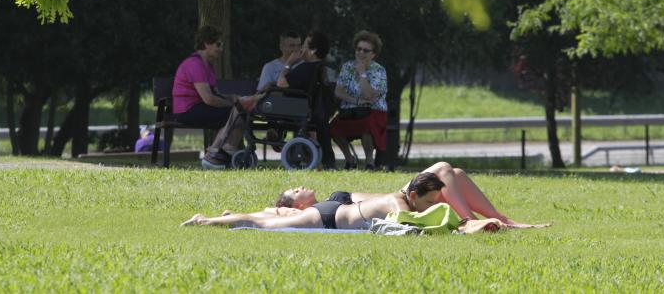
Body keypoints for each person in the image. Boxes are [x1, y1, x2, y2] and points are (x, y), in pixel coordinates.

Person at [265, 162, 548, 229]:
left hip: (402, 195)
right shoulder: (312, 214)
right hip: (403, 199)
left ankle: (500, 219)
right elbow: (269, 216)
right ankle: (468, 221)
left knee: (456, 173)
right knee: (444, 169)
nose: (299, 186)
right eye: (294, 191)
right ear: (293, 204)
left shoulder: (327, 201)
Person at [201, 30, 336, 169]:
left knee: (239, 105)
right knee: (242, 104)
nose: (300, 49)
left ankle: (218, 151)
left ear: (313, 50)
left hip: (287, 106)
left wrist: (289, 63)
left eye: (305, 45)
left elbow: (282, 83)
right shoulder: (318, 68)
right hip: (295, 105)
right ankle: (225, 149)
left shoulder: (306, 67)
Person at [182, 172, 446, 230]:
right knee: (263, 226)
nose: (433, 207)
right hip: (327, 217)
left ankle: (227, 216)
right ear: (413, 196)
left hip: (333, 213)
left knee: (269, 220)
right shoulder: (398, 202)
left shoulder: (401, 199)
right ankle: (204, 221)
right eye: (431, 202)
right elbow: (412, 222)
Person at [171, 26, 254, 168]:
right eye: (218, 44)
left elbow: (215, 93)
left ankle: (223, 155)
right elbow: (208, 99)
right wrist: (232, 105)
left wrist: (233, 99)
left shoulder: (208, 66)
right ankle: (213, 155)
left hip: (198, 107)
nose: (221, 49)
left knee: (240, 113)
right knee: (236, 113)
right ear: (206, 43)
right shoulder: (195, 64)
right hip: (187, 111)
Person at [330, 31, 388, 170]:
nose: (361, 52)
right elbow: (338, 91)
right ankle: (350, 160)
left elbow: (369, 96)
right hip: (350, 109)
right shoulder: (347, 67)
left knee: (367, 125)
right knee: (334, 127)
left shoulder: (379, 70)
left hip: (374, 110)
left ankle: (369, 162)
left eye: (366, 50)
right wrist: (356, 101)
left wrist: (362, 73)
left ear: (373, 54)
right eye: (359, 49)